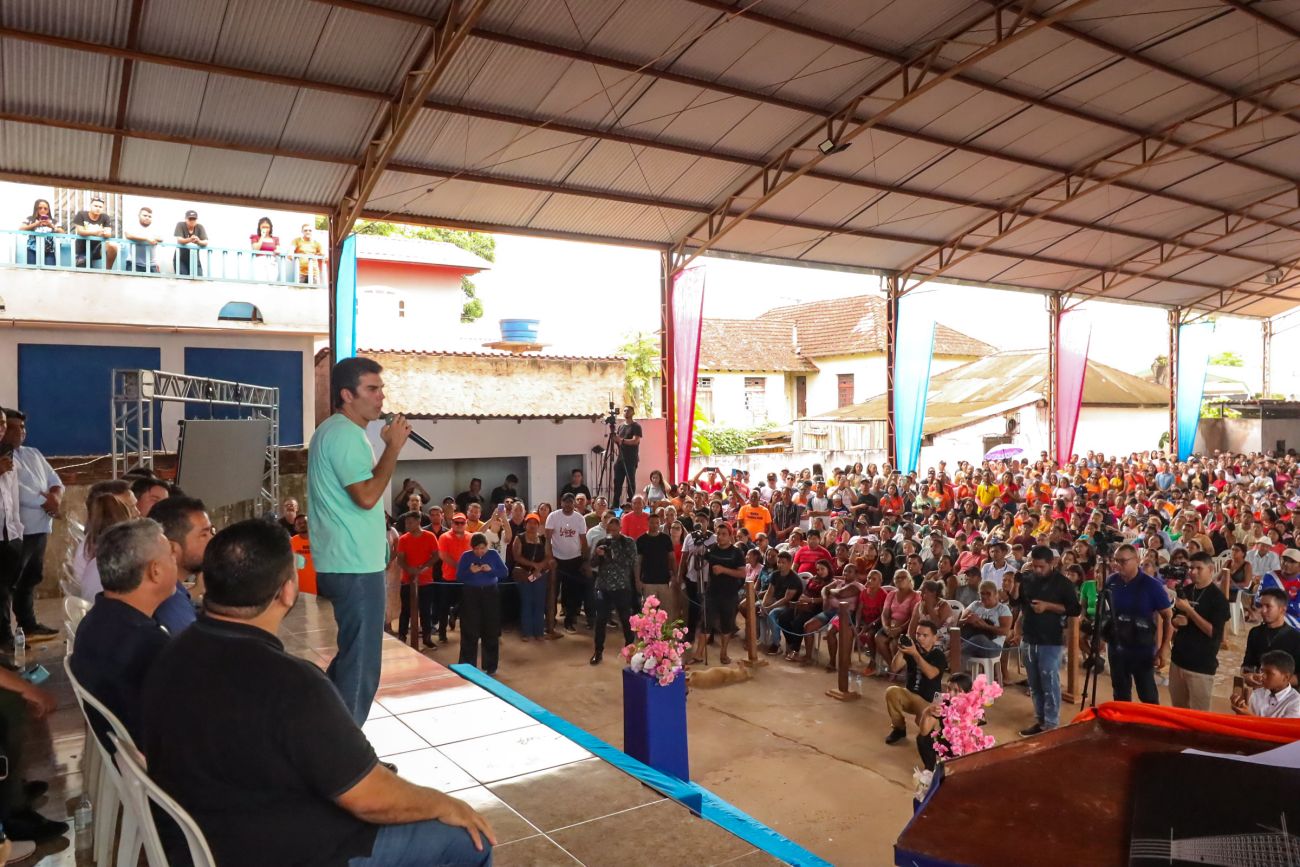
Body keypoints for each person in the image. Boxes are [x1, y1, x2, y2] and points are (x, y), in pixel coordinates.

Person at [141, 520, 495, 867]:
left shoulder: (173, 650)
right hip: (280, 850)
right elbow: (370, 797)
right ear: (287, 590)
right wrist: (443, 803)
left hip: (205, 836)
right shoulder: (292, 683)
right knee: (468, 841)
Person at [306, 356, 411, 725]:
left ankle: (323, 730)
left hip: (347, 560)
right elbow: (366, 496)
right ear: (347, 395)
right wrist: (393, 449)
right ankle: (345, 749)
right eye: (372, 389)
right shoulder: (344, 435)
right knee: (362, 663)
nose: (381, 397)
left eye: (381, 389)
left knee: (352, 656)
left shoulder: (338, 432)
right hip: (353, 564)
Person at [69, 518, 176, 744]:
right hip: (149, 756)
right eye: (171, 556)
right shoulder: (149, 643)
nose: (176, 561)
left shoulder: (95, 620)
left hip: (120, 749)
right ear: (155, 571)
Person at [4, 408, 61, 642]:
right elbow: (17, 489)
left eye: (23, 427)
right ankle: (6, 634)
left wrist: (56, 497)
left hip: (41, 527)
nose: (21, 431)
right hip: (19, 530)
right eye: (14, 427)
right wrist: (46, 502)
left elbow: (54, 479)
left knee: (31, 577)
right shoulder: (4, 457)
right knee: (10, 582)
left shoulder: (33, 453)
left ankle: (28, 623)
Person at [1012, 545, 1081, 735]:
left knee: (1049, 682)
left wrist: (1048, 606)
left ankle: (1051, 724)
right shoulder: (1028, 579)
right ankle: (1040, 720)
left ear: (1052, 563)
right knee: (1034, 684)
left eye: (1041, 566)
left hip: (1050, 639)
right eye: (1034, 566)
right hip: (1029, 637)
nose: (1037, 570)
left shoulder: (1063, 583)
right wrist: (1015, 587)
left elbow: (1075, 609)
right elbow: (1017, 603)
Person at [1104, 542, 1173, 705]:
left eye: (1123, 561)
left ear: (1136, 560)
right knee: (1120, 691)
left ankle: (1150, 720)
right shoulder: (1111, 581)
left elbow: (1167, 617)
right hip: (1117, 645)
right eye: (1116, 560)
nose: (1118, 565)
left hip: (1141, 647)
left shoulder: (1152, 585)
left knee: (1147, 693)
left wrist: (1163, 648)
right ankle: (1123, 719)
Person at [1167, 550, 1230, 711]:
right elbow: (1174, 617)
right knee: (1178, 709)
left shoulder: (1218, 599)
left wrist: (1190, 610)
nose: (1193, 572)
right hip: (1178, 659)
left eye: (1198, 568)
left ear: (1211, 569)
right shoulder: (1186, 590)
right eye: (1191, 568)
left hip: (1201, 665)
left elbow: (1214, 633)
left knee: (1199, 714)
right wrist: (1176, 621)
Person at [148, 495, 213, 635]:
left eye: (211, 532)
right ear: (172, 548)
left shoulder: (170, 592)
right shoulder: (171, 606)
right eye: (204, 535)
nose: (212, 540)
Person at [884, 620, 948, 745]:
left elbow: (931, 674)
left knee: (924, 728)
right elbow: (894, 668)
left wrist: (915, 654)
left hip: (930, 700)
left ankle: (935, 736)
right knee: (891, 691)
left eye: (925, 635)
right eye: (918, 634)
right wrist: (901, 649)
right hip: (910, 694)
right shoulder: (912, 650)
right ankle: (899, 729)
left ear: (934, 638)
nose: (920, 638)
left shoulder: (938, 655)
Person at [589, 516, 638, 665]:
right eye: (609, 530)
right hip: (603, 586)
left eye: (614, 530)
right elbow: (592, 563)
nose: (611, 533)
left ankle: (630, 651)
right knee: (600, 620)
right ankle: (598, 651)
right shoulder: (602, 542)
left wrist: (611, 553)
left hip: (621, 586)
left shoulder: (628, 542)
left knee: (625, 620)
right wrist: (597, 554)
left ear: (620, 529)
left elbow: (630, 561)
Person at [695, 522, 746, 665]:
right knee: (706, 623)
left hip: (729, 594)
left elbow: (742, 573)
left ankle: (724, 653)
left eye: (724, 534)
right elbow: (699, 566)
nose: (720, 537)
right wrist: (698, 555)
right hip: (712, 593)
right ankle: (698, 654)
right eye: (718, 534)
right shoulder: (711, 549)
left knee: (726, 625)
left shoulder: (736, 553)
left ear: (730, 536)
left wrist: (724, 570)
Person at [456, 533, 507, 674]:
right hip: (471, 594)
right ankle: (467, 666)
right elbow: (459, 576)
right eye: (476, 549)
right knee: (469, 629)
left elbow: (504, 572)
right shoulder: (466, 556)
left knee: (491, 629)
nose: (480, 551)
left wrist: (491, 571)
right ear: (472, 548)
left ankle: (490, 666)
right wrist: (470, 571)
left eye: (482, 548)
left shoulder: (493, 554)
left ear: (487, 546)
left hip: (490, 593)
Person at [546, 493, 590, 634]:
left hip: (574, 559)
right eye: (565, 502)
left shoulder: (579, 518)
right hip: (556, 560)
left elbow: (583, 540)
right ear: (561, 502)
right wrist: (550, 558)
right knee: (553, 591)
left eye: (570, 502)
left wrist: (585, 560)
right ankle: (550, 621)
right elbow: (547, 539)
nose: (567, 504)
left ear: (573, 503)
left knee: (572, 592)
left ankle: (569, 621)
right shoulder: (553, 516)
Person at [395, 511, 439, 649]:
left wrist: (423, 568)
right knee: (406, 610)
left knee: (425, 611)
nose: (407, 525)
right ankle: (402, 636)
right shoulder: (403, 539)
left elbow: (436, 556)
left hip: (426, 580)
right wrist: (410, 570)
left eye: (410, 522)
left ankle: (426, 638)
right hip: (407, 580)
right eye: (406, 523)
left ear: (418, 521)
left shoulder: (430, 536)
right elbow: (400, 559)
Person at [1242, 587, 1300, 684]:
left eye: (1268, 606)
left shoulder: (1296, 638)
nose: (1263, 610)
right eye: (1261, 606)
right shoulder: (1255, 633)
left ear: (1282, 610)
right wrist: (1247, 676)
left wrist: (1274, 682)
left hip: (1286, 692)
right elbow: (1247, 665)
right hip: (1259, 690)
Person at [436, 514, 472, 644]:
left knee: (465, 607)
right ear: (452, 523)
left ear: (466, 524)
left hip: (465, 579)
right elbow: (443, 555)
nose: (459, 525)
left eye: (462, 523)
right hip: (448, 577)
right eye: (457, 523)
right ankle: (442, 633)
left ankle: (465, 634)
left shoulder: (471, 537)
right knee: (443, 606)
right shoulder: (444, 537)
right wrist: (460, 567)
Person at [512, 514, 549, 640]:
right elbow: (517, 556)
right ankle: (526, 632)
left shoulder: (543, 539)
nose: (532, 525)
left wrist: (539, 567)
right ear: (525, 524)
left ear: (538, 525)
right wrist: (533, 565)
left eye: (535, 523)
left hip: (539, 574)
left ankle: (539, 632)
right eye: (529, 523)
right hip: (524, 574)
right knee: (526, 601)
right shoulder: (519, 538)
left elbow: (548, 555)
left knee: (539, 602)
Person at [1231, 650, 1300, 718]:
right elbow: (1245, 722)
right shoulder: (1256, 694)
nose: (1262, 676)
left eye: (1269, 673)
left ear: (1286, 677)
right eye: (1261, 671)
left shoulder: (1296, 703)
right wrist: (1240, 708)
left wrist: (1249, 716)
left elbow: (1285, 726)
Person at [959, 580, 1012, 659]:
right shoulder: (975, 605)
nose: (984, 596)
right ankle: (954, 655)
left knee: (979, 639)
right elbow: (958, 623)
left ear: (995, 594)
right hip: (970, 642)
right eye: (982, 593)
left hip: (993, 646)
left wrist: (985, 626)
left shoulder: (1002, 609)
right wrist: (967, 620)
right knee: (956, 635)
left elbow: (1005, 631)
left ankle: (951, 655)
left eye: (988, 593)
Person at [635, 511, 674, 612]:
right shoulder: (641, 540)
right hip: (648, 581)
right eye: (652, 522)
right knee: (649, 612)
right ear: (648, 523)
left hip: (664, 581)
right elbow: (638, 562)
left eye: (657, 523)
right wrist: (637, 580)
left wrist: (673, 575)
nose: (655, 525)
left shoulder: (666, 539)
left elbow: (672, 558)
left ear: (660, 523)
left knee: (665, 612)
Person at [71, 196, 117, 269]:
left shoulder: (105, 217)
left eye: (100, 207)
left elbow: (108, 234)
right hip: (82, 247)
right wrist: (96, 232)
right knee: (82, 269)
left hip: (98, 247)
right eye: (95, 206)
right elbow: (80, 231)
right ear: (90, 206)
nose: (98, 208)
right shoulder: (81, 214)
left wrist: (93, 232)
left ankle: (108, 270)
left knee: (113, 246)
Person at [612, 405, 643, 504]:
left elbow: (635, 441)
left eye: (628, 411)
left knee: (630, 483)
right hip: (620, 458)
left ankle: (632, 503)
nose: (626, 412)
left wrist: (621, 440)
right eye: (624, 410)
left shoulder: (636, 426)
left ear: (633, 413)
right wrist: (615, 439)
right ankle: (615, 504)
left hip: (631, 459)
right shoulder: (621, 426)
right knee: (617, 482)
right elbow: (618, 442)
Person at [18, 198, 61, 266]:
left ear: (48, 210)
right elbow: (21, 228)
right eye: (40, 208)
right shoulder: (30, 219)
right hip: (32, 250)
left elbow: (62, 232)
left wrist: (51, 226)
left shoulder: (53, 221)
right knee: (32, 270)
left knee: (50, 271)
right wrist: (36, 224)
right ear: (36, 209)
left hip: (49, 251)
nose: (42, 210)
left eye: (45, 208)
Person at [124, 206, 163, 272]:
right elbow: (128, 235)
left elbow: (161, 238)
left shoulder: (155, 228)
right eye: (145, 215)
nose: (147, 218)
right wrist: (146, 238)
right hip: (134, 263)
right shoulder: (133, 226)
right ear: (139, 216)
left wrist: (152, 238)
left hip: (152, 265)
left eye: (149, 216)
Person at [173, 209, 209, 276]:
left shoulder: (200, 227)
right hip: (180, 259)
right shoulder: (180, 225)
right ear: (185, 219)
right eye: (190, 219)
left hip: (195, 259)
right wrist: (190, 239)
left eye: (194, 219)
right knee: (183, 279)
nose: (192, 221)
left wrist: (198, 241)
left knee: (199, 278)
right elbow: (179, 240)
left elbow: (205, 242)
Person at [290, 514, 317, 594]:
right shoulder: (291, 542)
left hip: (318, 587)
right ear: (295, 528)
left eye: (305, 522)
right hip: (298, 588)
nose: (302, 525)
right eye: (299, 523)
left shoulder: (319, 540)